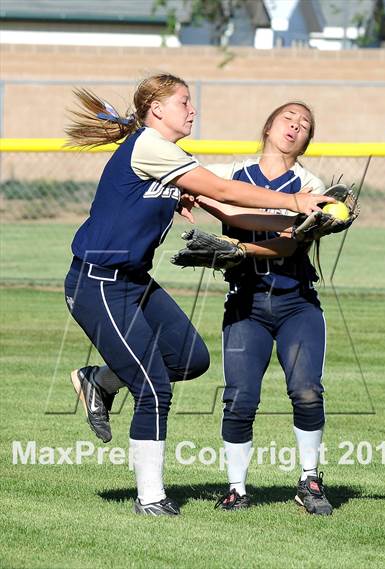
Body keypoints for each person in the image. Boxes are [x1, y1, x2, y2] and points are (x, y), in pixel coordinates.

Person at [64, 76, 334, 517]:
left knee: (190, 359)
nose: (192, 110)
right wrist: (295, 200)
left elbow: (228, 210)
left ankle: (100, 381)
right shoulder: (149, 145)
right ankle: (150, 498)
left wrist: (296, 220)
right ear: (156, 109)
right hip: (98, 282)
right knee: (154, 388)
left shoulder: (171, 156)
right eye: (184, 102)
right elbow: (225, 189)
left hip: (133, 282)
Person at [197, 101, 334, 515]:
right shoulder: (228, 174)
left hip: (297, 302)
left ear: (307, 140)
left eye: (304, 125)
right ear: (269, 126)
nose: (295, 127)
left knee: (307, 391)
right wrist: (191, 200)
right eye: (288, 119)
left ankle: (309, 480)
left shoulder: (310, 184)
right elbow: (191, 185)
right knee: (240, 398)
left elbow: (291, 241)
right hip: (246, 303)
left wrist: (235, 242)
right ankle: (237, 488)